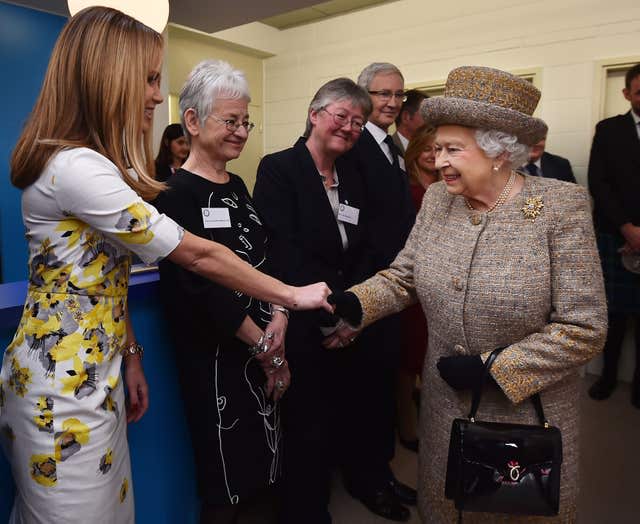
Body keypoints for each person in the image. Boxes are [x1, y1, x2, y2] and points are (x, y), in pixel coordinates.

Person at [0, 8, 329, 524]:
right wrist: (291, 295)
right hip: (61, 391)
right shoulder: (75, 167)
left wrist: (130, 353)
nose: (158, 95)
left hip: (92, 377)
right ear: (109, 78)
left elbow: (97, 283)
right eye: (150, 79)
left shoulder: (91, 164)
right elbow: (197, 254)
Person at [327, 66, 607, 522]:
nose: (438, 162)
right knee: (446, 507)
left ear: (499, 153)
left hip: (525, 418)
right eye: (436, 149)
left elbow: (584, 328)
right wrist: (358, 300)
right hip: (444, 409)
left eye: (453, 150)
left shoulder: (561, 207)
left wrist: (494, 369)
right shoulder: (438, 200)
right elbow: (404, 276)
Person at [154, 60, 289, 524]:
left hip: (264, 345)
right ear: (192, 121)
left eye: (245, 121)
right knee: (227, 481)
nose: (240, 132)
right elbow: (201, 289)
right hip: (218, 359)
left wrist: (280, 320)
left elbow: (263, 258)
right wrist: (267, 349)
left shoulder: (237, 184)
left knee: (266, 468)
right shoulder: (172, 194)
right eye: (230, 121)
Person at [253, 78, 372, 524]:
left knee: (336, 417)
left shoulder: (353, 175)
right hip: (299, 319)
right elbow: (283, 249)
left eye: (358, 122)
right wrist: (325, 315)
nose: (349, 127)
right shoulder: (280, 168)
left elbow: (359, 251)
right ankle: (302, 510)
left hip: (345, 318)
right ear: (315, 114)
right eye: (341, 116)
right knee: (304, 424)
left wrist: (351, 312)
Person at [334, 62, 416, 521]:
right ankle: (366, 480)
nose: (391, 102)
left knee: (383, 385)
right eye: (381, 93)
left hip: (394, 287)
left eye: (398, 94)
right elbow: (357, 227)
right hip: (369, 288)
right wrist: (364, 299)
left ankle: (380, 472)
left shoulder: (394, 146)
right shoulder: (355, 143)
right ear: (363, 96)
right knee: (365, 392)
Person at [587, 62, 640, 407]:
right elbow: (599, 182)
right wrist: (627, 228)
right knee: (615, 316)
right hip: (615, 233)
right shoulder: (608, 129)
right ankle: (607, 378)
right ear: (627, 94)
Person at [395, 125, 439, 451]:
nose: (433, 155)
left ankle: (430, 418)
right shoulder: (406, 191)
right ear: (414, 152)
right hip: (412, 285)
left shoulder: (449, 189)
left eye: (439, 149)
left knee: (431, 355)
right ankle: (407, 428)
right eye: (427, 148)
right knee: (408, 359)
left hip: (440, 287)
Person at [392, 89, 427, 156]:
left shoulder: (432, 150)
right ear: (406, 117)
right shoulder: (387, 149)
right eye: (426, 114)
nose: (432, 120)